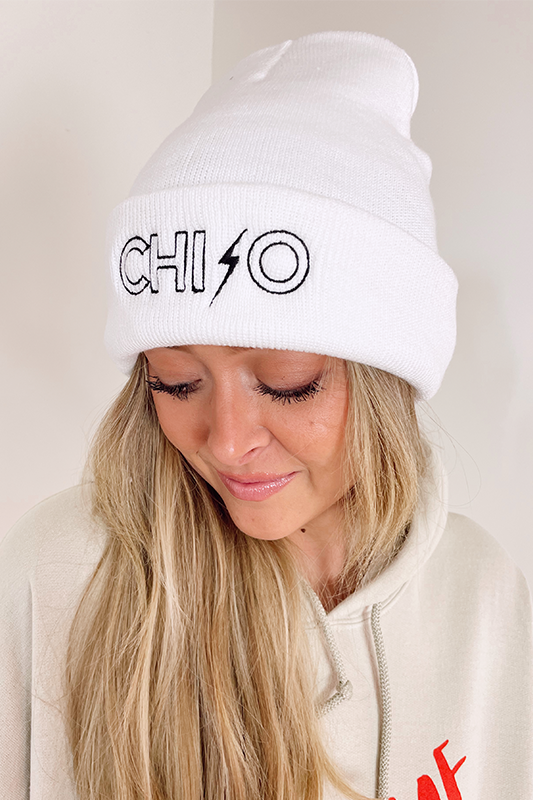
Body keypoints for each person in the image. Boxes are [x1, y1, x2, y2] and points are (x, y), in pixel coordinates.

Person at [1, 30, 531, 800]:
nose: (227, 442)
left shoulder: (483, 596)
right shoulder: (59, 576)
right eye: (176, 381)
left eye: (287, 384)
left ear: (386, 382)